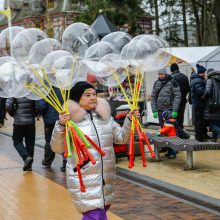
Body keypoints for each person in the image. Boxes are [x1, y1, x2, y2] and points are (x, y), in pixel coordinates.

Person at [51, 81, 139, 219]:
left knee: (98, 213)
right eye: (87, 95)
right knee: (95, 215)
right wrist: (61, 125)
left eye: (94, 94)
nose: (93, 98)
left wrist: (129, 119)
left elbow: (121, 138)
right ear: (77, 99)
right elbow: (57, 147)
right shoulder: (70, 122)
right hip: (84, 179)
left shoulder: (105, 118)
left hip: (106, 179)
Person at [36, 87, 66, 170]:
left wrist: (38, 113)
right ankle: (65, 161)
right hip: (63, 118)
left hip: (50, 120)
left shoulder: (46, 89)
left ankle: (47, 161)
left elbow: (42, 105)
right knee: (64, 140)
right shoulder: (63, 87)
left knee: (50, 140)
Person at [6, 97, 38, 171]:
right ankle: (29, 166)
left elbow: (8, 105)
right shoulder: (31, 90)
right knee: (30, 143)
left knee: (16, 141)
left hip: (19, 121)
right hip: (31, 122)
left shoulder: (15, 90)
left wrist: (13, 114)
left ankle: (26, 157)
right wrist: (34, 114)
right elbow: (38, 106)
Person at [190, 64, 208, 141]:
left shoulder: (194, 79)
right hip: (199, 104)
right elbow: (200, 92)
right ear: (201, 72)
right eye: (204, 72)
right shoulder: (199, 80)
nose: (205, 74)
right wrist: (206, 94)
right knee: (199, 121)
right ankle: (199, 137)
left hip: (196, 103)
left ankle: (200, 136)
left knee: (198, 121)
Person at [202, 68, 220, 141]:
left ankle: (214, 138)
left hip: (212, 104)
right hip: (219, 104)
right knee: (217, 121)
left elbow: (208, 91)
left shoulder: (210, 80)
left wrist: (203, 97)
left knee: (212, 125)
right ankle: (214, 139)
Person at [170, 63, 189, 128]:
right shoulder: (185, 77)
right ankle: (181, 131)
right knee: (181, 116)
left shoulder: (172, 78)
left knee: (174, 117)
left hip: (174, 101)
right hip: (183, 100)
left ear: (171, 70)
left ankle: (176, 132)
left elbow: (170, 91)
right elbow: (188, 89)